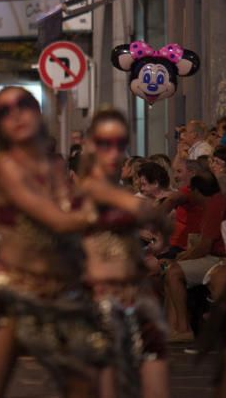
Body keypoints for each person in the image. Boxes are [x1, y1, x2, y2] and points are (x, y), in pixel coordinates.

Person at [0, 87, 105, 398]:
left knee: (83, 386)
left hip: (61, 290)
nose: (16, 115)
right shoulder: (3, 166)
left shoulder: (57, 167)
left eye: (23, 105)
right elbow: (55, 218)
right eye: (4, 112)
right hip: (12, 292)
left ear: (37, 111)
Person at [78, 109, 170, 398]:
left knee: (156, 384)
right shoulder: (84, 192)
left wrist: (153, 241)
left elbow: (162, 227)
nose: (114, 152)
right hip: (100, 306)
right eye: (105, 144)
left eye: (120, 144)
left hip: (139, 302)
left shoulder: (123, 194)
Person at [162, 167, 226, 342]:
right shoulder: (215, 203)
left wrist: (182, 258)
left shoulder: (215, 206)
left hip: (218, 259)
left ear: (197, 191)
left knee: (174, 272)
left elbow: (205, 247)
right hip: (213, 256)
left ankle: (184, 329)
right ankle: (172, 327)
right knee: (170, 270)